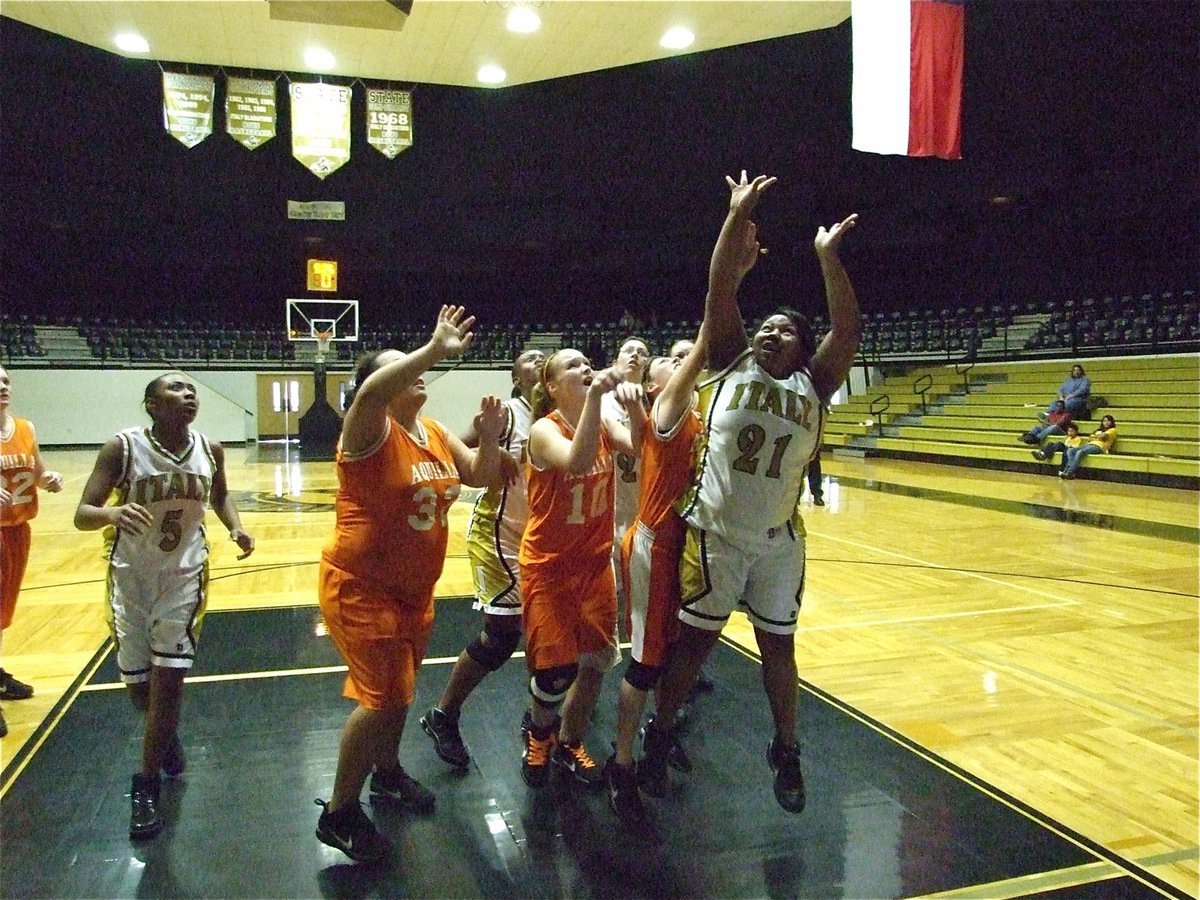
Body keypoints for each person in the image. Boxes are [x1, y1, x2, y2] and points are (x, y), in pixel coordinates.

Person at [640, 172, 860, 815]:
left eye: (784, 331)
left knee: (780, 646)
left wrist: (828, 258)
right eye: (764, 327)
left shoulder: (814, 386)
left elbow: (846, 331)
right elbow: (717, 290)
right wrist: (736, 215)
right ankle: (660, 731)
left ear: (803, 345)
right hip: (716, 534)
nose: (769, 335)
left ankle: (785, 748)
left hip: (777, 543)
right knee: (695, 644)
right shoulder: (732, 358)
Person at [312, 306, 506, 863]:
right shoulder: (369, 427)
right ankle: (340, 813)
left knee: (397, 693)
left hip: (412, 591)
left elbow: (479, 475)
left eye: (417, 366)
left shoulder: (436, 432)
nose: (415, 373)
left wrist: (490, 437)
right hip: (362, 586)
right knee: (383, 699)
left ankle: (388, 771)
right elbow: (371, 393)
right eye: (401, 368)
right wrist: (434, 348)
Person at [604, 190, 766, 828]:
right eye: (668, 360)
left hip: (690, 543)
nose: (679, 361)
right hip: (653, 543)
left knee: (670, 658)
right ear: (655, 383)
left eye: (679, 357)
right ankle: (620, 766)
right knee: (644, 663)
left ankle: (653, 742)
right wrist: (730, 254)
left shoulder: (701, 410)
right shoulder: (666, 412)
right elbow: (711, 330)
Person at [74, 372, 255, 840]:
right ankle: (165, 733)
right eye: (175, 389)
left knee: (169, 680)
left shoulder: (210, 449)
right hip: (130, 577)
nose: (188, 394)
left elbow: (220, 496)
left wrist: (234, 527)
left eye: (192, 389)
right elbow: (82, 514)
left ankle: (145, 784)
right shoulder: (123, 449)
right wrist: (112, 513)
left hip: (184, 575)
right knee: (141, 690)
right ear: (151, 405)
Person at [518, 349, 640, 790]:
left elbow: (643, 445)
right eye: (572, 365)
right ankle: (538, 731)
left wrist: (636, 405)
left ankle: (569, 741)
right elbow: (577, 461)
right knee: (553, 674)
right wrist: (597, 402)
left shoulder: (605, 421)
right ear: (551, 387)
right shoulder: (542, 431)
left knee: (595, 664)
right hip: (549, 569)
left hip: (593, 564)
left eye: (587, 362)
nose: (585, 367)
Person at [420, 348, 545, 769]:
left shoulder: (562, 413)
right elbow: (458, 455)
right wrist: (493, 451)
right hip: (500, 533)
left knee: (546, 630)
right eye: (529, 357)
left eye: (544, 355)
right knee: (503, 635)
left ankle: (539, 718)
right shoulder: (508, 414)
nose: (539, 360)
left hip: (542, 536)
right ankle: (444, 714)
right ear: (515, 374)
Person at [0, 365, 64, 739]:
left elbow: (35, 471)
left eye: (6, 381)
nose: (3, 387)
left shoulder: (25, 429)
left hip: (17, 532)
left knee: (3, 616)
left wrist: (48, 479)